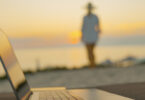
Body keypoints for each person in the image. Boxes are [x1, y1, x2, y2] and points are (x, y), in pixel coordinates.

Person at [81, 2, 101, 68]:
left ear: (92, 9)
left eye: (90, 8)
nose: (89, 9)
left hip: (93, 36)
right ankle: (92, 64)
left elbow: (98, 27)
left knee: (91, 51)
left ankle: (93, 64)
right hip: (86, 37)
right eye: (88, 8)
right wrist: (82, 36)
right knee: (89, 51)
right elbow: (83, 28)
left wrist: (98, 34)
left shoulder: (95, 17)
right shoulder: (84, 17)